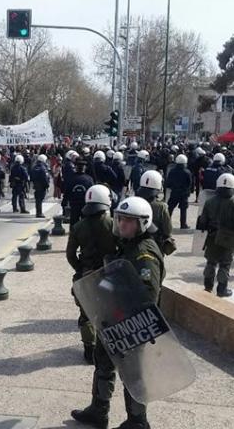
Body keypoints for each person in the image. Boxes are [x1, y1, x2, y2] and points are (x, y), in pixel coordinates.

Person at [71, 196, 163, 429]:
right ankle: (98, 411)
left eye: (129, 221)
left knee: (132, 375)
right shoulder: (127, 246)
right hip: (112, 319)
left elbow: (146, 296)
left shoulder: (144, 254)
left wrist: (110, 286)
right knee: (102, 363)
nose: (122, 225)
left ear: (142, 223)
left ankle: (137, 421)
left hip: (131, 323)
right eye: (120, 219)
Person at [65, 185, 117, 364]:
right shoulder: (113, 224)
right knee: (110, 312)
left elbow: (70, 254)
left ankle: (89, 349)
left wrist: (80, 269)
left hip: (86, 275)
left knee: (86, 314)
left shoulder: (78, 226)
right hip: (109, 275)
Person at [197, 173, 234, 297]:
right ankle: (221, 289)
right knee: (225, 264)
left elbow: (202, 222)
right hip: (229, 239)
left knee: (211, 262)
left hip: (212, 237)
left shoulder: (209, 201)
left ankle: (207, 287)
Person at [136, 170, 174, 255]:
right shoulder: (161, 207)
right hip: (154, 246)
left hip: (133, 246)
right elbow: (168, 230)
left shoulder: (133, 202)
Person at [165, 154, 192, 229]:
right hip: (184, 193)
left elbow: (168, 183)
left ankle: (166, 223)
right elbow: (190, 183)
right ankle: (183, 224)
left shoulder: (172, 171)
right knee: (183, 210)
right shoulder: (187, 172)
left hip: (174, 192)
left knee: (170, 208)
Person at [65, 160, 94, 226]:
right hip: (85, 204)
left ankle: (73, 235)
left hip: (74, 204)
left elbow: (67, 190)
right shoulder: (89, 179)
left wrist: (65, 201)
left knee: (74, 222)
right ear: (84, 168)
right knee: (85, 223)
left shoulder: (71, 178)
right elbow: (92, 192)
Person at [31, 154, 51, 218]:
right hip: (42, 186)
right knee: (40, 200)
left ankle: (38, 212)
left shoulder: (34, 167)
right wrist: (47, 185)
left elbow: (31, 176)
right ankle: (39, 213)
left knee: (38, 200)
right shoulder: (43, 168)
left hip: (36, 185)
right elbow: (45, 178)